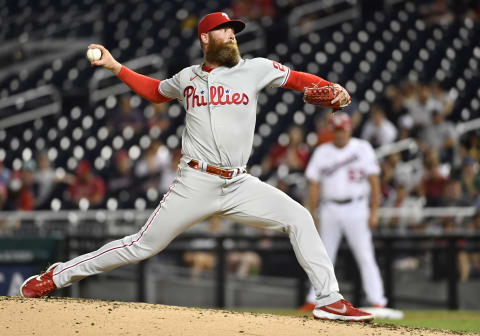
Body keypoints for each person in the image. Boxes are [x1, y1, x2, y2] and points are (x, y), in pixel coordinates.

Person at [20, 12, 372, 321]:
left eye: (233, 30)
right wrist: (115, 67)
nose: (232, 35)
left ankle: (329, 300)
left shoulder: (255, 69)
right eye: (223, 30)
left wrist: (327, 86)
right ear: (205, 38)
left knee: (299, 218)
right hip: (196, 181)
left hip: (239, 183)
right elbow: (156, 91)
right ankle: (56, 276)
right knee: (141, 246)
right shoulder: (187, 78)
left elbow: (297, 79)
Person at [299, 112, 401, 319]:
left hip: (356, 207)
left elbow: (374, 183)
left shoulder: (362, 148)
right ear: (331, 131)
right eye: (336, 130)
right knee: (323, 255)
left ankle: (378, 300)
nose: (339, 134)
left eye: (342, 130)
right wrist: (312, 212)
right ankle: (314, 299)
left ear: (349, 129)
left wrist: (373, 211)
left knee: (365, 254)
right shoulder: (322, 151)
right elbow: (313, 185)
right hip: (330, 208)